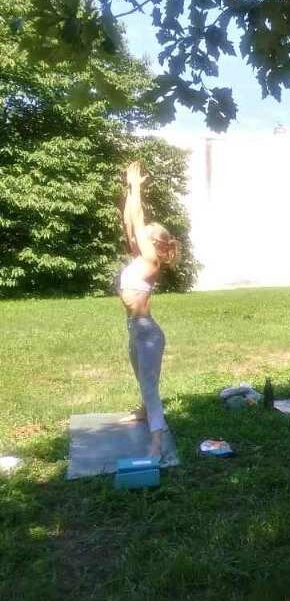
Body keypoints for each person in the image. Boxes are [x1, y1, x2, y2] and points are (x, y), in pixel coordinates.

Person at [119, 161, 180, 458]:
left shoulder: (151, 261)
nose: (139, 236)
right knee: (141, 377)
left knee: (149, 385)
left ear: (153, 243)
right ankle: (144, 412)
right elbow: (131, 222)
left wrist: (137, 188)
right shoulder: (139, 257)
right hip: (135, 328)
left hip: (147, 333)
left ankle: (157, 440)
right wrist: (130, 193)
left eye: (146, 235)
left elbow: (139, 222)